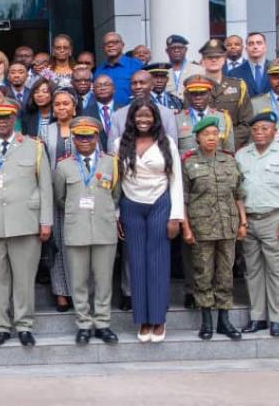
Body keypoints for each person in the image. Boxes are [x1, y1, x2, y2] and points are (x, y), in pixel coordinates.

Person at [0, 98, 53, 347]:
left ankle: (24, 325)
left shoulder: (34, 147)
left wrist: (46, 221)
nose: (1, 122)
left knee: (24, 279)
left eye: (6, 117)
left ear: (14, 119)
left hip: (26, 223)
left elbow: (46, 186)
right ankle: (1, 326)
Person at [114, 98, 184, 343]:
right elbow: (116, 183)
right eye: (138, 116)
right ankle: (143, 320)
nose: (143, 120)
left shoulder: (168, 143)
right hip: (131, 206)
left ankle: (158, 318)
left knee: (157, 262)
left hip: (159, 204)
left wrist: (176, 216)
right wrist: (116, 215)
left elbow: (176, 181)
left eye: (148, 116)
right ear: (131, 118)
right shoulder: (119, 143)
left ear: (155, 119)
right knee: (136, 263)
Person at [53, 117, 120, 346]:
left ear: (96, 137)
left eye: (89, 136)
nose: (84, 141)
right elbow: (60, 198)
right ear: (73, 138)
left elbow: (116, 194)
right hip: (76, 229)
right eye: (79, 136)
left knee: (103, 280)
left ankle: (102, 323)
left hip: (104, 228)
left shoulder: (111, 163)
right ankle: (83, 323)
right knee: (79, 281)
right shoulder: (63, 166)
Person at [181, 116, 246, 341]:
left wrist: (243, 222)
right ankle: (206, 320)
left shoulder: (229, 161)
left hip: (228, 225)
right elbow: (184, 200)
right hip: (202, 228)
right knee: (203, 273)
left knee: (226, 274)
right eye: (206, 134)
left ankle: (224, 321)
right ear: (197, 138)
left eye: (214, 134)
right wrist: (186, 228)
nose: (211, 138)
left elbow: (238, 194)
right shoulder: (188, 162)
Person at [235, 112, 279, 337]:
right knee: (252, 271)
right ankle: (257, 317)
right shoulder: (242, 155)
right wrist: (242, 221)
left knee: (276, 270)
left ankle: (276, 318)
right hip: (249, 219)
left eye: (265, 128)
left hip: (274, 219)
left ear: (275, 130)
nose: (260, 133)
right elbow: (237, 193)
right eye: (256, 129)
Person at [41, 87, 79, 311]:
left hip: (80, 197)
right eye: (58, 104)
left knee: (76, 244)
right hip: (54, 195)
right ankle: (61, 292)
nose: (62, 107)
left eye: (66, 103)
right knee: (57, 244)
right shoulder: (46, 132)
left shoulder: (83, 127)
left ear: (74, 107)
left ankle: (78, 291)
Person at [199, 38, 253, 149]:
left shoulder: (238, 86)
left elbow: (247, 122)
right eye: (209, 57)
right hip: (202, 149)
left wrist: (227, 142)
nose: (214, 60)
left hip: (231, 149)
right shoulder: (194, 88)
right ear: (203, 61)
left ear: (224, 59)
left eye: (218, 57)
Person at [107, 70, 179, 148]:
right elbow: (112, 150)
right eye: (134, 83)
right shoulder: (118, 116)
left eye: (142, 83)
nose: (138, 86)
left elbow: (172, 146)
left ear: (152, 86)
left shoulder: (166, 114)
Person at [175, 75, 234, 153]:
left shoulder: (223, 117)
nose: (198, 97)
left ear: (209, 94)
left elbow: (229, 151)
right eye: (193, 93)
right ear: (187, 95)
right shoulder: (177, 118)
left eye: (202, 93)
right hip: (187, 164)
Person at [96, 32, 143, 104]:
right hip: (106, 113)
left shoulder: (136, 65)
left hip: (131, 112)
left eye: (115, 42)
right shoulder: (99, 71)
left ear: (122, 45)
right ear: (103, 48)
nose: (110, 45)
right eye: (107, 43)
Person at [230, 32, 271, 96]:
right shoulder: (234, 74)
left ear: (265, 47)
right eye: (251, 44)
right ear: (246, 49)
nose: (255, 46)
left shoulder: (275, 69)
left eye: (259, 43)